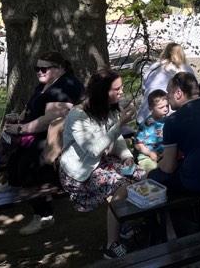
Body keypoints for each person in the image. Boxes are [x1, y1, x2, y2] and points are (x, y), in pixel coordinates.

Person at [59, 69, 145, 259]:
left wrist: (126, 156)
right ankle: (111, 245)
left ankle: (127, 223)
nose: (121, 92)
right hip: (80, 173)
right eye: (117, 89)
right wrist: (120, 124)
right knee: (121, 187)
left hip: (102, 161)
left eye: (121, 88)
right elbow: (93, 150)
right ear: (102, 92)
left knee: (142, 175)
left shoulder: (109, 107)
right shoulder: (78, 116)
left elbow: (117, 138)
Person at [0, 51, 84, 235]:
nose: (39, 71)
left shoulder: (66, 85)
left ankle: (44, 215)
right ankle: (21, 190)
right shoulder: (45, 84)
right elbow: (31, 108)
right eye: (37, 68)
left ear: (59, 68)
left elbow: (51, 120)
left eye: (44, 68)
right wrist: (19, 119)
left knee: (28, 165)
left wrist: (21, 129)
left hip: (58, 137)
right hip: (37, 134)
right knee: (14, 161)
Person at [137, 43, 194, 124]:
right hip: (167, 117)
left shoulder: (153, 67)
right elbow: (192, 92)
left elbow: (144, 88)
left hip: (145, 115)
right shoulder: (185, 68)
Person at [133, 89, 169, 173]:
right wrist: (149, 153)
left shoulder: (169, 121)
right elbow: (138, 144)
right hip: (147, 156)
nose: (165, 109)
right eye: (161, 107)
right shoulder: (146, 124)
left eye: (167, 106)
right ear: (151, 108)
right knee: (154, 171)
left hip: (164, 155)